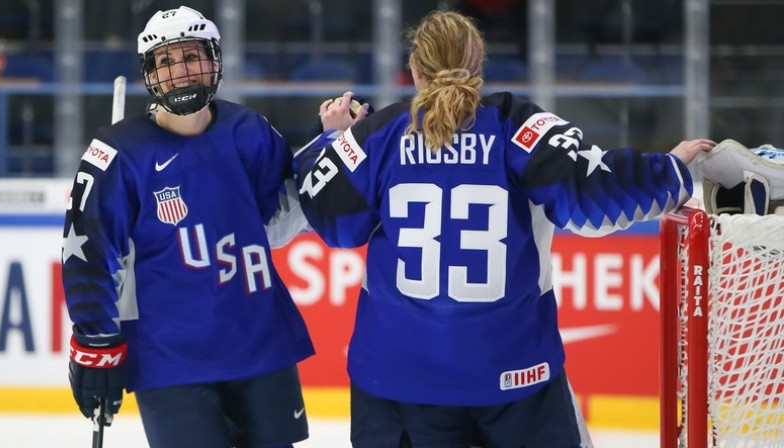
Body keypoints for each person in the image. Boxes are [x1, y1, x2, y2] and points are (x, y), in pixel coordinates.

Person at [294, 10, 716, 448]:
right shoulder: (520, 127)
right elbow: (594, 198)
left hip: (396, 383)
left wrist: (332, 141)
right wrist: (668, 171)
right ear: (478, 68)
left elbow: (330, 219)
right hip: (516, 380)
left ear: (415, 70)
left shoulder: (375, 135)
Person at [61, 6, 314, 448]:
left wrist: (326, 149)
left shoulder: (250, 130)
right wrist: (96, 339)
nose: (181, 71)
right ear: (150, 74)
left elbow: (281, 217)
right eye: (166, 61)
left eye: (192, 56)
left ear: (215, 61)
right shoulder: (117, 152)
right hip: (170, 360)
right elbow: (88, 253)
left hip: (260, 345)